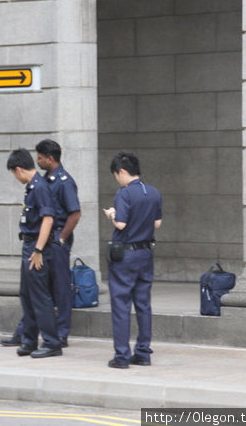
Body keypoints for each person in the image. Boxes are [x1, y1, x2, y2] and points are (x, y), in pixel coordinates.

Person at [1, 140, 81, 348]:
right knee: (32, 291)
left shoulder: (63, 181)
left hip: (53, 240)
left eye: (41, 157)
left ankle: (59, 334)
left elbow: (74, 213)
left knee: (58, 288)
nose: (38, 161)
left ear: (50, 158)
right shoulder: (42, 181)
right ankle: (25, 333)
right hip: (43, 239)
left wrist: (60, 239)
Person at [102, 151, 162, 369]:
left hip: (125, 255)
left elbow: (121, 224)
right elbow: (157, 224)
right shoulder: (154, 192)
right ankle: (143, 352)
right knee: (143, 304)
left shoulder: (124, 193)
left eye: (116, 175)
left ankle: (122, 356)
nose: (117, 179)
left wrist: (110, 213)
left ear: (122, 172)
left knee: (121, 304)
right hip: (146, 253)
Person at [6, 148, 62, 358]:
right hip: (29, 245)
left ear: (18, 169)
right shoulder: (32, 187)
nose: (15, 177)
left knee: (40, 297)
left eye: (14, 173)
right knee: (27, 296)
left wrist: (38, 249)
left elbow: (48, 219)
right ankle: (29, 340)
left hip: (37, 248)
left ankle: (51, 342)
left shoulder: (40, 187)